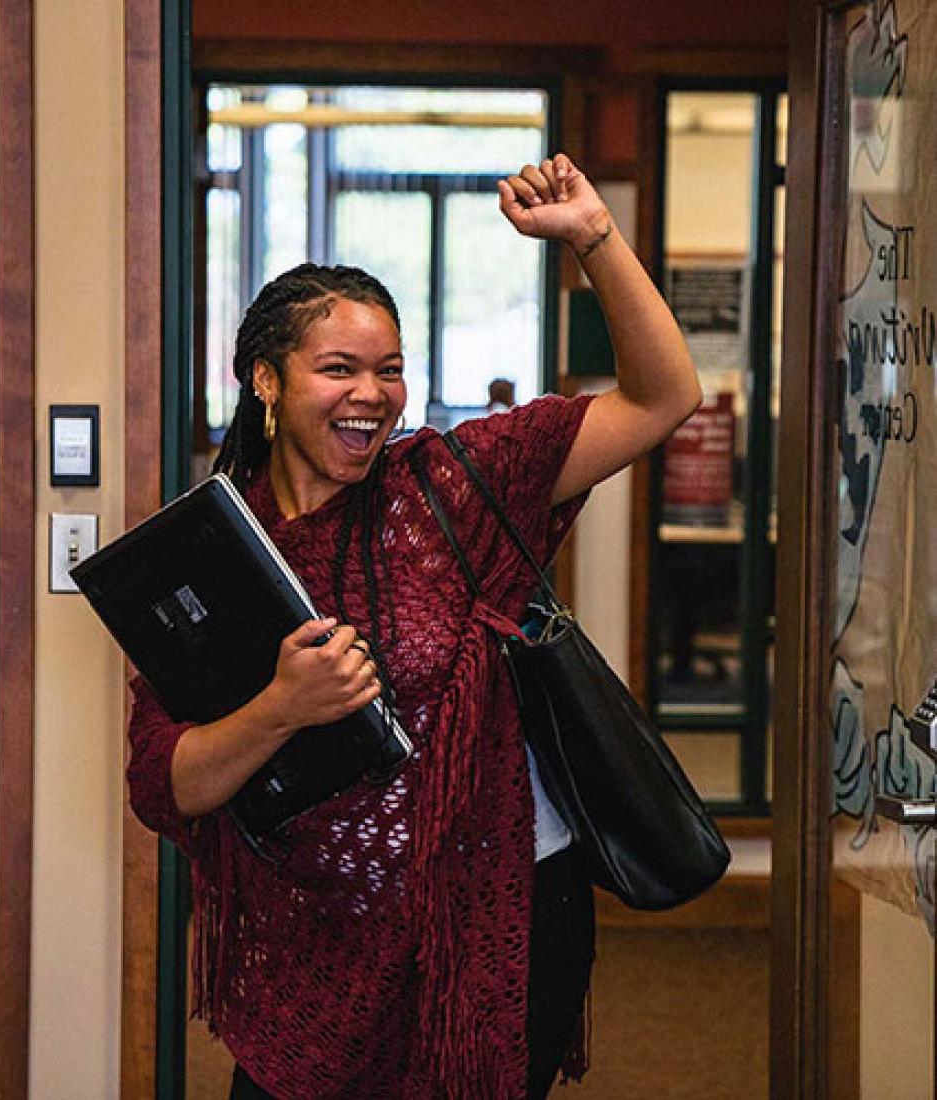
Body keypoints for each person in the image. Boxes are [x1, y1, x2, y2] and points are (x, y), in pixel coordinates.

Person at [127, 153, 701, 1100]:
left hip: (494, 920)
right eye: (339, 368)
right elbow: (164, 783)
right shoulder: (215, 553)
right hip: (310, 938)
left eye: (389, 371)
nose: (372, 394)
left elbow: (661, 397)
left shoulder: (452, 483)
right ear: (264, 381)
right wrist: (280, 707)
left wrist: (594, 239)